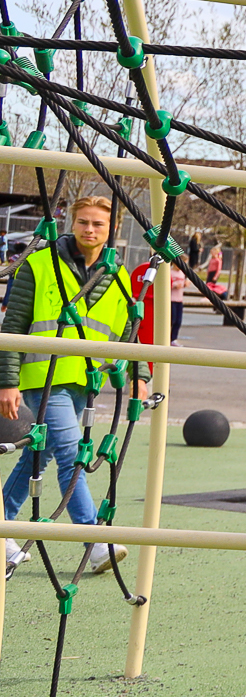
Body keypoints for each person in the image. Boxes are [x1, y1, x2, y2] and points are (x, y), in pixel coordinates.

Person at [0, 196, 140, 581]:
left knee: (39, 456)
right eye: (82, 222)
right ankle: (95, 540)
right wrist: (7, 382)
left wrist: (134, 373)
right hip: (43, 379)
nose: (89, 229)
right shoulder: (41, 263)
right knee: (72, 454)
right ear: (71, 222)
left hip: (84, 381)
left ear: (111, 229)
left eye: (97, 223)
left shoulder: (117, 274)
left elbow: (129, 330)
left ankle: (5, 522)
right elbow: (12, 325)